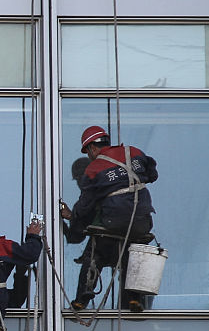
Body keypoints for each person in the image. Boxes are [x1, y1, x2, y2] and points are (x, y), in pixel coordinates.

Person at [59, 125, 158, 313]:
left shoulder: (95, 167)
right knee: (131, 252)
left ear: (91, 148)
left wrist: (73, 216)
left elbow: (85, 205)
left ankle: (83, 297)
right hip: (142, 221)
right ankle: (134, 299)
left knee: (95, 252)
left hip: (114, 221)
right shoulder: (133, 152)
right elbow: (153, 174)